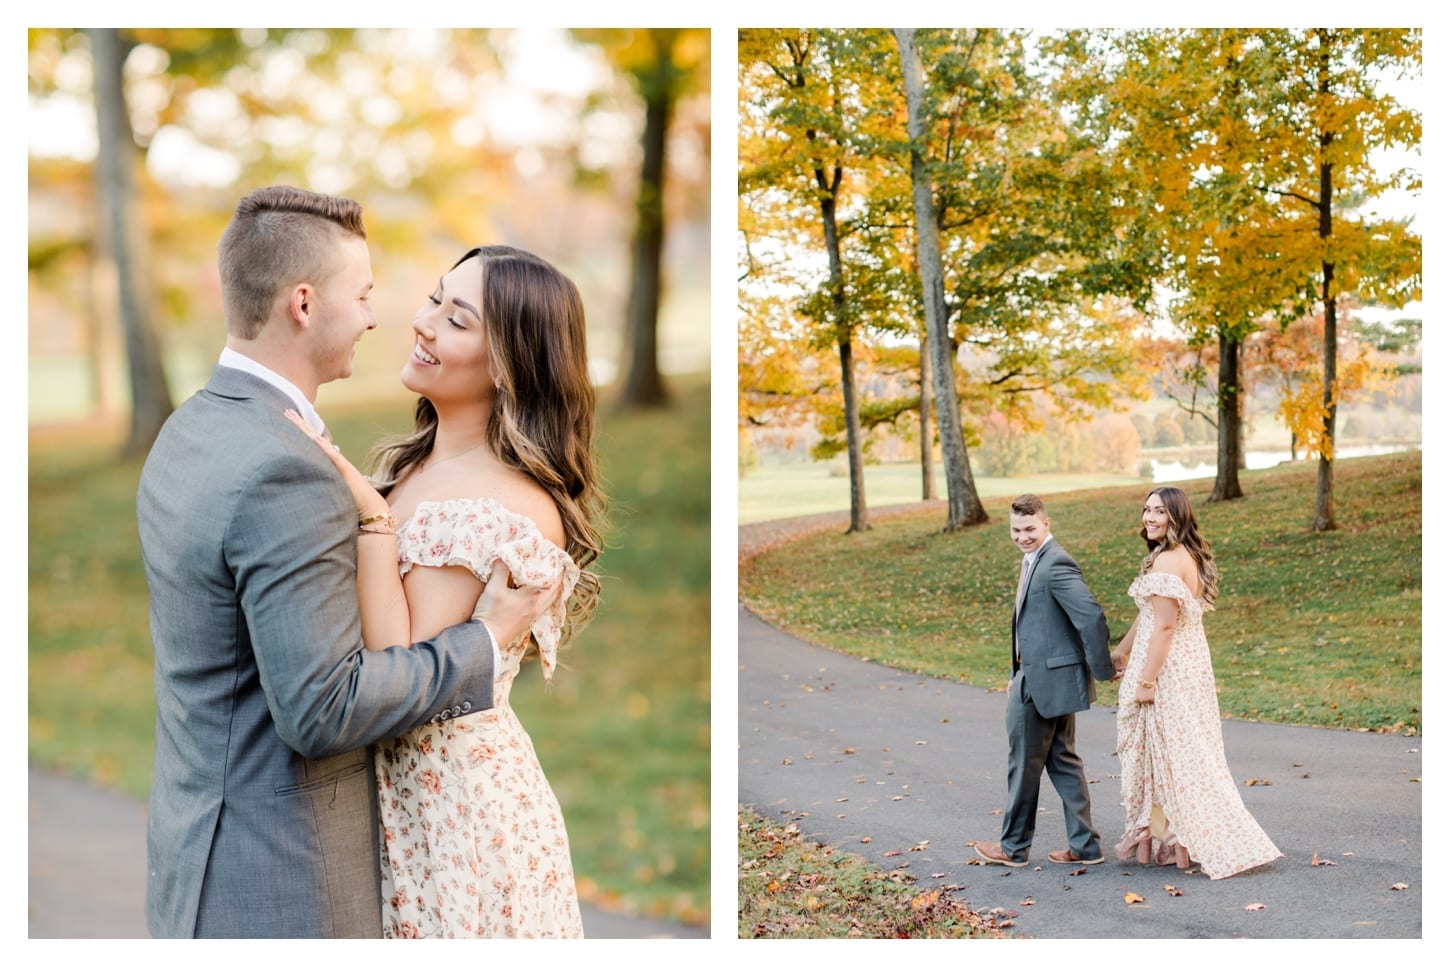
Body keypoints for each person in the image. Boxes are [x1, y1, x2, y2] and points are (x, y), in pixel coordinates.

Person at [136, 186, 557, 938]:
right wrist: (483, 644)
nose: (381, 316)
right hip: (274, 874)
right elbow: (324, 705)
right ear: (304, 303)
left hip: (423, 832)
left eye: (452, 315)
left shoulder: (192, 428)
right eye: (364, 294)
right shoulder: (288, 467)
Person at [285, 242, 604, 938]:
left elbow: (399, 672)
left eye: (457, 319)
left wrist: (372, 517)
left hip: (455, 815)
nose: (424, 323)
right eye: (435, 298)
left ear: (508, 365)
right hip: (399, 798)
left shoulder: (497, 505)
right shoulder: (417, 463)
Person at [1111, 486, 1282, 878]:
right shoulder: (1176, 556)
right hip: (1188, 667)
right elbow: (1152, 616)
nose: (1149, 518)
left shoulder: (1168, 562)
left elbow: (1166, 627)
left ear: (1176, 517)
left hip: (1169, 671)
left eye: (1159, 512)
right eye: (1146, 510)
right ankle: (1176, 837)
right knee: (1179, 754)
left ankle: (1193, 835)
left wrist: (1147, 683)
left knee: (1177, 757)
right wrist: (1122, 651)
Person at [975, 494, 1116, 868]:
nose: (1022, 537)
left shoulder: (1055, 563)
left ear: (1046, 524)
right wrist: (1014, 673)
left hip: (1043, 683)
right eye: (1016, 530)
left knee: (1023, 764)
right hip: (1036, 676)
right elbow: (1031, 627)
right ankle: (1085, 846)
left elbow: (1090, 616)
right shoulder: (1033, 560)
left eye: (1030, 529)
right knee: (1064, 762)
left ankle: (1013, 848)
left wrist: (1102, 669)